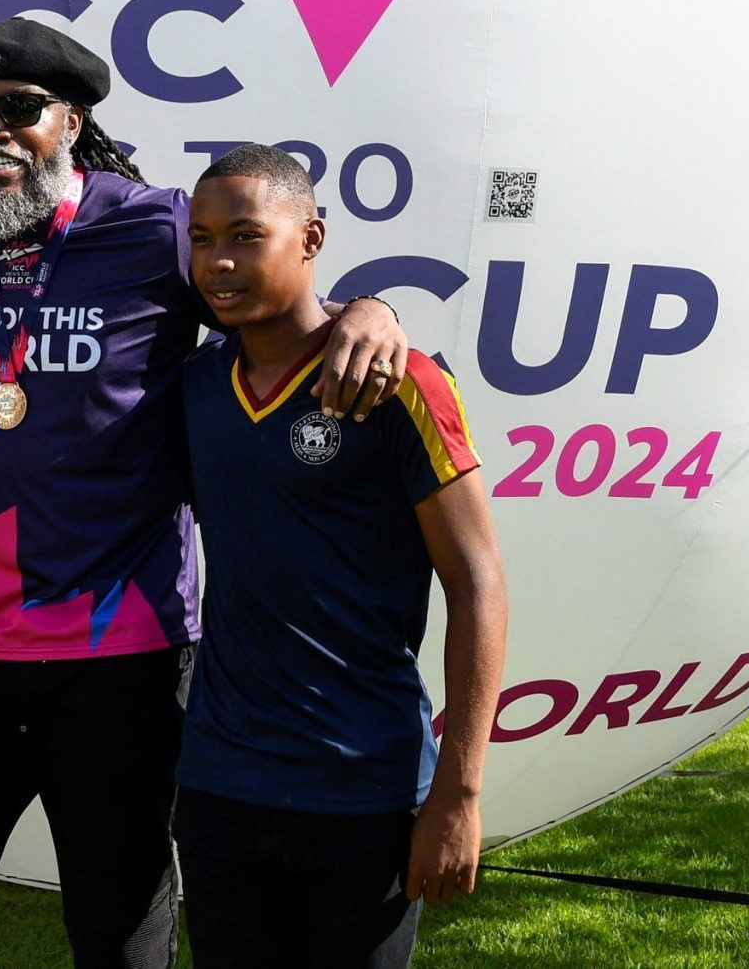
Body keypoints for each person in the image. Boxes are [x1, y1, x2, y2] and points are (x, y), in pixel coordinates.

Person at [0, 19, 410, 969]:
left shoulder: (154, 226)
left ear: (70, 121)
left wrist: (372, 308)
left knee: (123, 944)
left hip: (124, 660)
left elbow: (272, 297)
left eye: (20, 110)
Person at [173, 145, 507, 969]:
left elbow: (478, 583)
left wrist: (458, 797)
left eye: (247, 236)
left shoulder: (400, 383)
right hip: (220, 786)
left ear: (310, 236)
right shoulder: (193, 385)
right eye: (203, 237)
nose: (218, 260)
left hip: (365, 789)